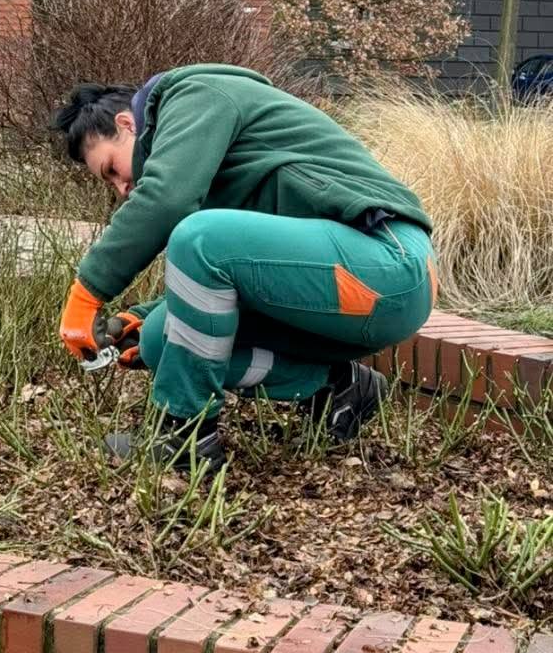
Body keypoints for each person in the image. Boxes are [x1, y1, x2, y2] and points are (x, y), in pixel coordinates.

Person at [54, 65, 436, 471]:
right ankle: (339, 387)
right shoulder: (210, 159)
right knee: (156, 338)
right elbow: (249, 266)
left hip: (389, 264)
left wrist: (87, 293)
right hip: (334, 291)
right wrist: (142, 316)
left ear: (127, 124)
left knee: (198, 238)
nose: (122, 189)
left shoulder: (197, 93)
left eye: (112, 169)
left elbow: (168, 203)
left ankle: (184, 437)